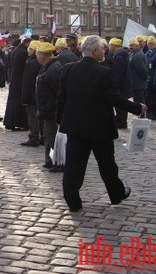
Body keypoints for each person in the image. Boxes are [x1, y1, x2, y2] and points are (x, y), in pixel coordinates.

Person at [56, 35, 147, 212]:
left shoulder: (68, 69)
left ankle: (72, 200)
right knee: (107, 165)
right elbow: (115, 99)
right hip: (100, 128)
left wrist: (60, 120)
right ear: (95, 51)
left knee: (74, 166)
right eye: (102, 48)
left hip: (76, 127)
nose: (104, 51)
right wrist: (137, 107)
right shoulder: (103, 72)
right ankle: (116, 194)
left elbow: (61, 98)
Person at [34, 42, 63, 172]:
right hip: (47, 108)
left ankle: (56, 161)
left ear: (43, 55)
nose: (36, 57)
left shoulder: (54, 69)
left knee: (52, 136)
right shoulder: (48, 66)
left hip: (51, 109)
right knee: (48, 135)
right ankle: (50, 160)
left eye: (37, 54)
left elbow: (58, 92)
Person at [3, 36, 30, 131]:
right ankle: (19, 122)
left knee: (12, 101)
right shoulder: (23, 52)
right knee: (19, 102)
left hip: (14, 79)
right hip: (20, 79)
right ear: (27, 44)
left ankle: (10, 122)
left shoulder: (14, 51)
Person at [20, 41, 42, 147]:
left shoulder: (31, 63)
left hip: (32, 96)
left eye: (30, 49)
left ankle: (34, 137)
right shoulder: (40, 62)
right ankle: (41, 137)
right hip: (39, 95)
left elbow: (27, 82)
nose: (28, 50)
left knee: (32, 117)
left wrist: (24, 98)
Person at [106, 38, 131, 128]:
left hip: (121, 86)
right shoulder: (122, 54)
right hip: (125, 84)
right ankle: (121, 121)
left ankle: (121, 122)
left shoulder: (118, 56)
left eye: (110, 45)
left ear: (113, 46)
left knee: (120, 105)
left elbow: (118, 73)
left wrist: (115, 85)